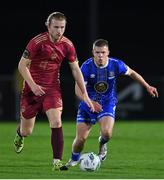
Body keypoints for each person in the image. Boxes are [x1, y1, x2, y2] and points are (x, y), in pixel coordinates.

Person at [13, 12, 95, 170]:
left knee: (56, 121)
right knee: (27, 131)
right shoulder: (37, 42)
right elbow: (22, 65)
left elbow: (76, 69)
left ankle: (56, 161)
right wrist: (33, 85)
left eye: (62, 27)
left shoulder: (67, 45)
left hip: (52, 89)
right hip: (32, 89)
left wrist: (84, 93)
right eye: (56, 27)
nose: (59, 31)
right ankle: (19, 133)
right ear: (48, 26)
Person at [60, 38, 158, 170]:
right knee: (80, 139)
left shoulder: (116, 64)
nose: (100, 55)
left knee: (107, 133)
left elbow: (132, 73)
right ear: (93, 52)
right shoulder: (86, 66)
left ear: (108, 52)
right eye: (97, 52)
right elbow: (78, 89)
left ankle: (102, 144)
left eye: (103, 52)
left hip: (107, 103)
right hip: (88, 104)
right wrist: (90, 102)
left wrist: (147, 86)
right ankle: (74, 159)